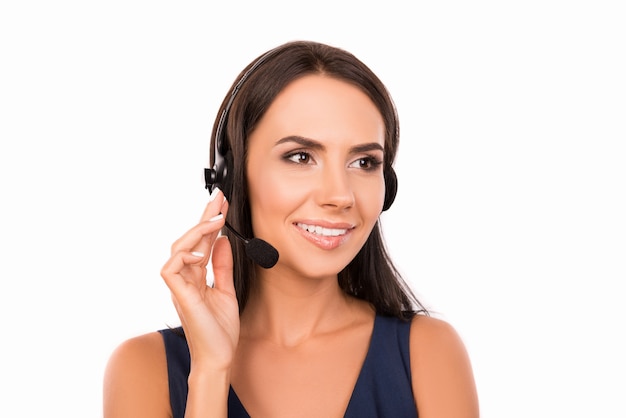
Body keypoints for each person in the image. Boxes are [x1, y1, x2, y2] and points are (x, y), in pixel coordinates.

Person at [103, 40, 479, 418]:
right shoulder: (143, 368)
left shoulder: (428, 353)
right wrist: (210, 372)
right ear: (232, 176)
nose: (340, 195)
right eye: (301, 157)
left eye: (364, 162)